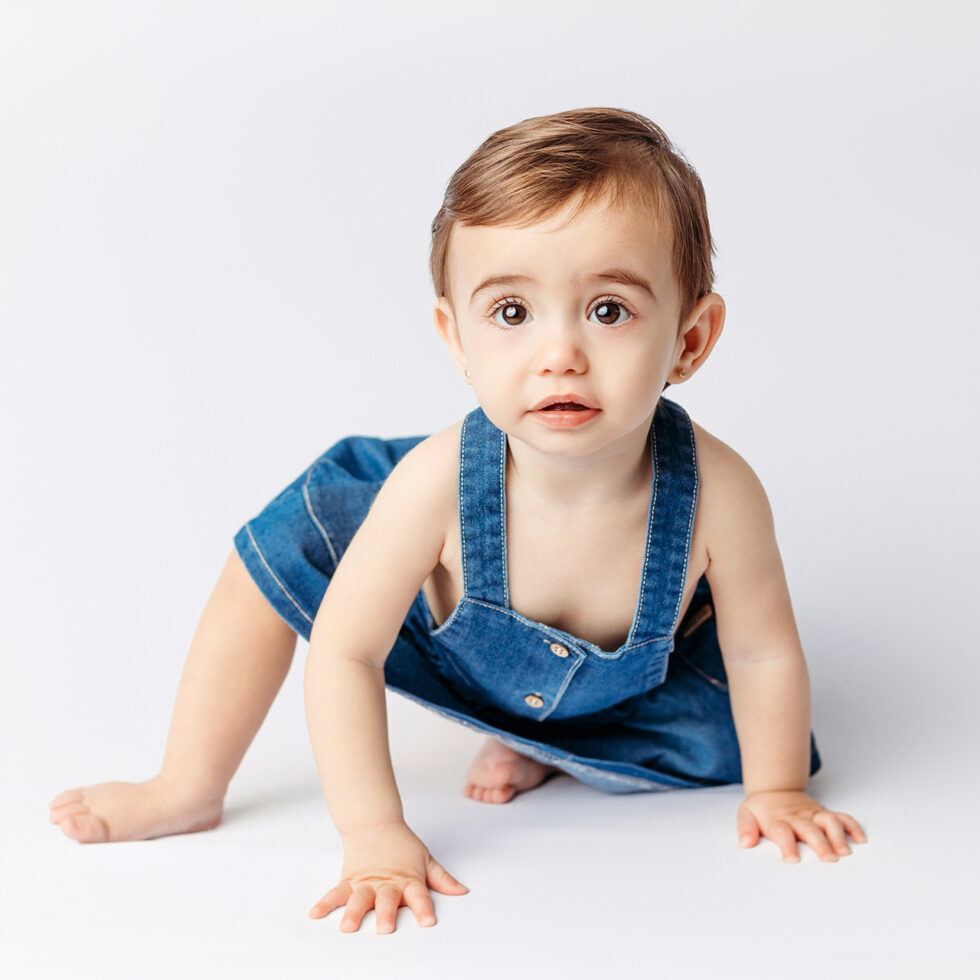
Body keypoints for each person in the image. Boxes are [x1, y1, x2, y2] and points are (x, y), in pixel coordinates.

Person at [49, 106, 867, 934]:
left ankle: (543, 743)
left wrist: (778, 790)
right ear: (455, 337)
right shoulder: (433, 485)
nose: (560, 354)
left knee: (727, 726)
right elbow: (343, 652)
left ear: (690, 340)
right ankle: (186, 786)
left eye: (609, 310)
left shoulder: (720, 494)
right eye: (512, 312)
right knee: (273, 559)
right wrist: (373, 834)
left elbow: (762, 649)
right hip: (437, 640)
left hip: (618, 696)